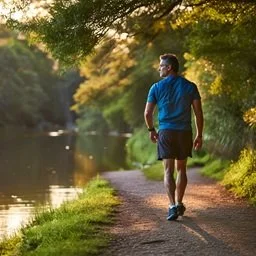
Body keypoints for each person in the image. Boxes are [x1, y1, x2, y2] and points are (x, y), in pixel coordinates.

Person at [144, 53, 204, 221]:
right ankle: (179, 202)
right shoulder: (190, 86)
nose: (159, 68)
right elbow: (198, 113)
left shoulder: (156, 87)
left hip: (166, 133)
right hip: (184, 133)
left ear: (169, 67)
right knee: (181, 169)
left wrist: (151, 130)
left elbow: (148, 113)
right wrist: (199, 134)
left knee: (168, 170)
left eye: (161, 65)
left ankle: (171, 207)